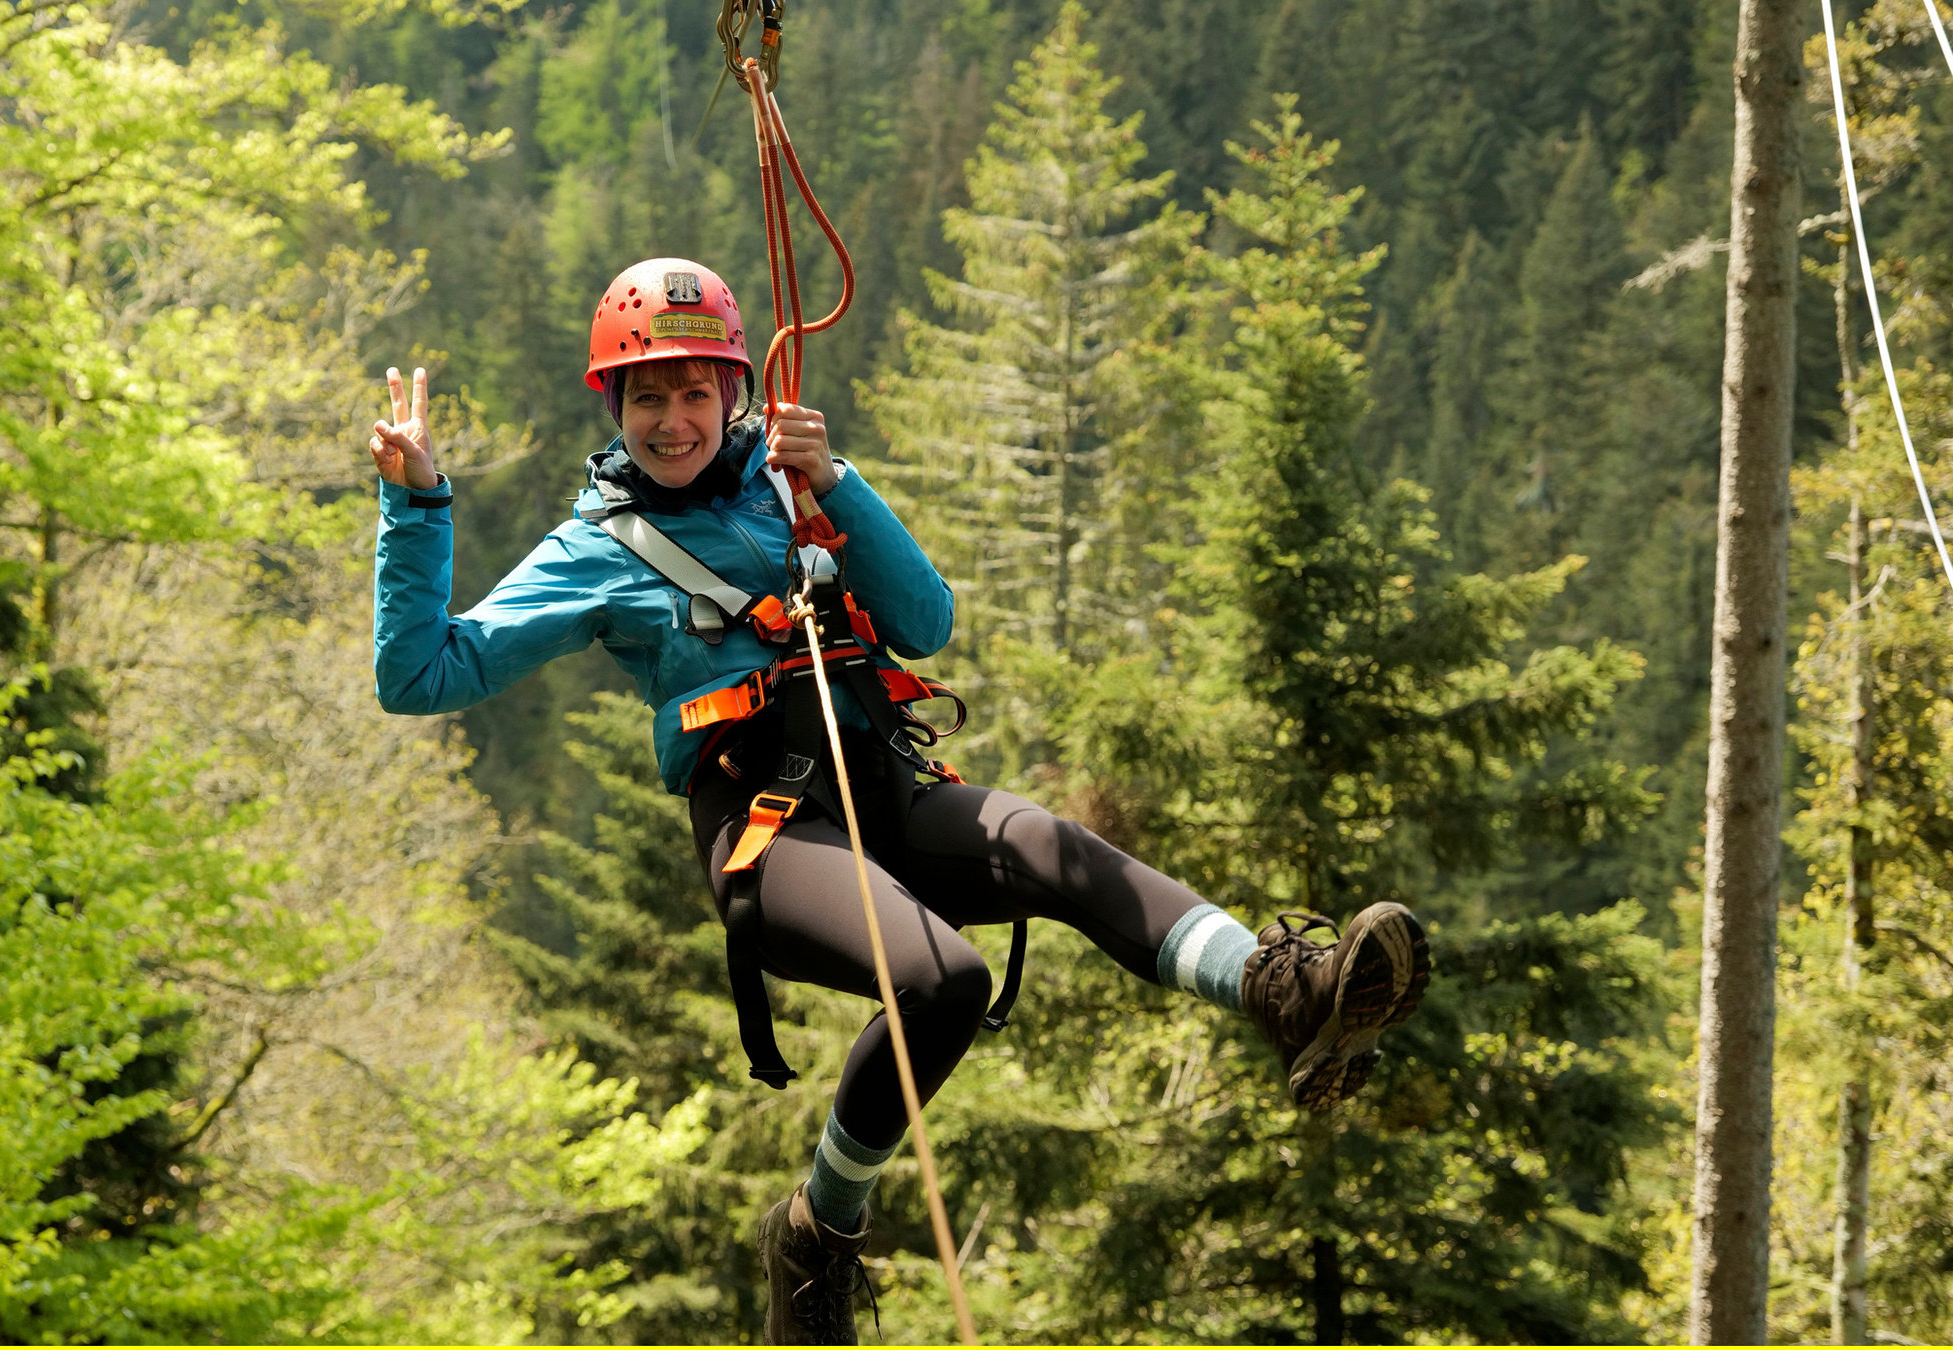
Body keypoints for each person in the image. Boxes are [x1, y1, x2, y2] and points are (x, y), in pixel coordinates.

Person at [369, 257, 1430, 1344]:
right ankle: (818, 1235)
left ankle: (1281, 989)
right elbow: (420, 676)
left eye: (696, 392)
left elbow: (924, 622)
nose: (674, 420)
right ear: (615, 404)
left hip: (884, 783)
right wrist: (416, 504)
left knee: (1049, 846)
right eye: (649, 396)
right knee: (941, 980)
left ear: (734, 392)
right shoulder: (594, 550)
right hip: (767, 833)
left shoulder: (792, 482)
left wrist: (837, 485)